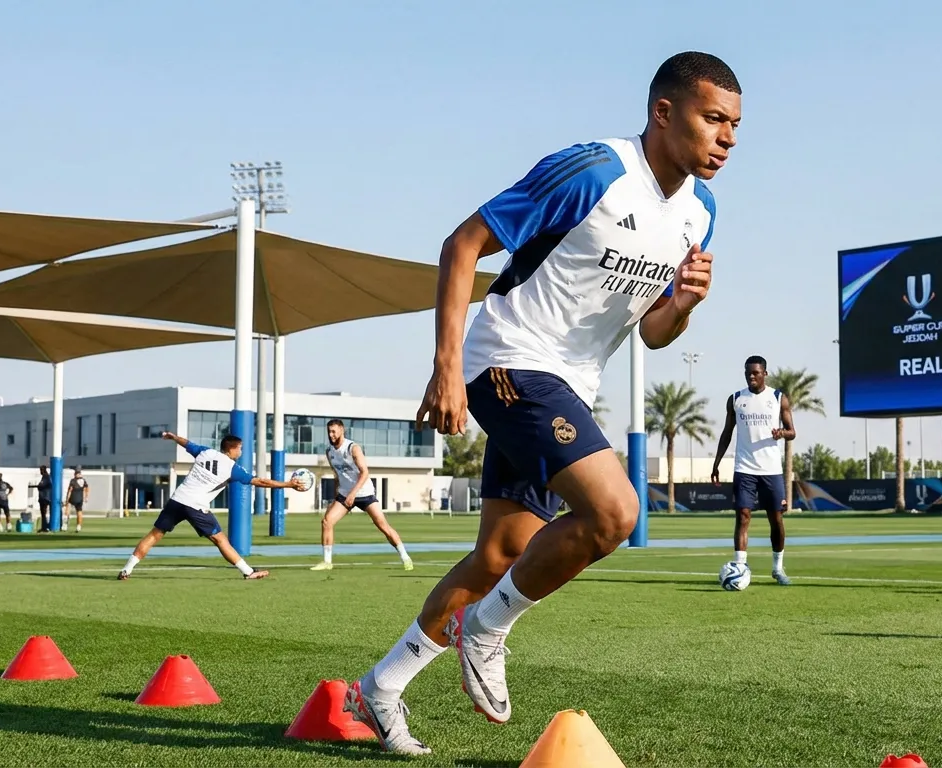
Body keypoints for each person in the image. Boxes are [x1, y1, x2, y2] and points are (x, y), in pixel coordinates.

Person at [344, 51, 739, 755]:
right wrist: (443, 368)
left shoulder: (700, 214)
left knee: (500, 553)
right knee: (614, 512)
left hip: (569, 385)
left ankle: (381, 687)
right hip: (508, 360)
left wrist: (681, 304)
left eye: (735, 125)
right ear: (664, 113)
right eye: (714, 119)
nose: (728, 138)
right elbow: (463, 244)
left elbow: (652, 334)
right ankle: (487, 630)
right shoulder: (593, 171)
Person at [117, 431, 304, 580]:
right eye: (240, 449)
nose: (241, 452)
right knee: (221, 540)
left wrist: (173, 437)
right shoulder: (233, 468)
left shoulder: (205, 452)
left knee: (155, 535)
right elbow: (261, 481)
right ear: (232, 449)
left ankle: (127, 569)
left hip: (177, 499)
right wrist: (288, 484)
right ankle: (248, 572)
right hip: (195, 506)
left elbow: (186, 443)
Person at [710, 356, 796, 586]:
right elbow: (727, 433)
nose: (751, 376)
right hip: (744, 468)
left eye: (756, 373)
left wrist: (781, 433)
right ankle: (739, 566)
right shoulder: (736, 399)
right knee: (743, 515)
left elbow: (792, 432)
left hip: (770, 470)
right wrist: (716, 463)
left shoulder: (778, 398)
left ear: (765, 374)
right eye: (748, 372)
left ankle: (778, 569)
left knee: (775, 519)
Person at [311, 419, 414, 572]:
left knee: (383, 526)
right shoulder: (329, 452)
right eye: (329, 432)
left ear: (341, 430)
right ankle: (327, 562)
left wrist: (353, 494)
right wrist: (338, 494)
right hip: (345, 494)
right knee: (327, 522)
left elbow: (365, 473)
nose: (331, 435)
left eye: (333, 431)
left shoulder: (353, 448)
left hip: (364, 493)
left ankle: (405, 557)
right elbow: (337, 475)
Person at [65, 468, 89, 533]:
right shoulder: (83, 480)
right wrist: (86, 497)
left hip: (73, 497)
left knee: (67, 510)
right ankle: (79, 526)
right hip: (80, 499)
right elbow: (87, 488)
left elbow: (70, 490)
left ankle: (65, 524)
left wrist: (67, 499)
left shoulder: (73, 481)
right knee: (79, 512)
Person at [35, 465, 52, 532]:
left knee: (43, 513)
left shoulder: (45, 477)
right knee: (43, 513)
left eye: (41, 470)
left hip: (44, 497)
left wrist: (38, 486)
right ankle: (44, 526)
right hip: (45, 497)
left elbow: (41, 485)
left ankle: (45, 527)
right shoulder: (46, 477)